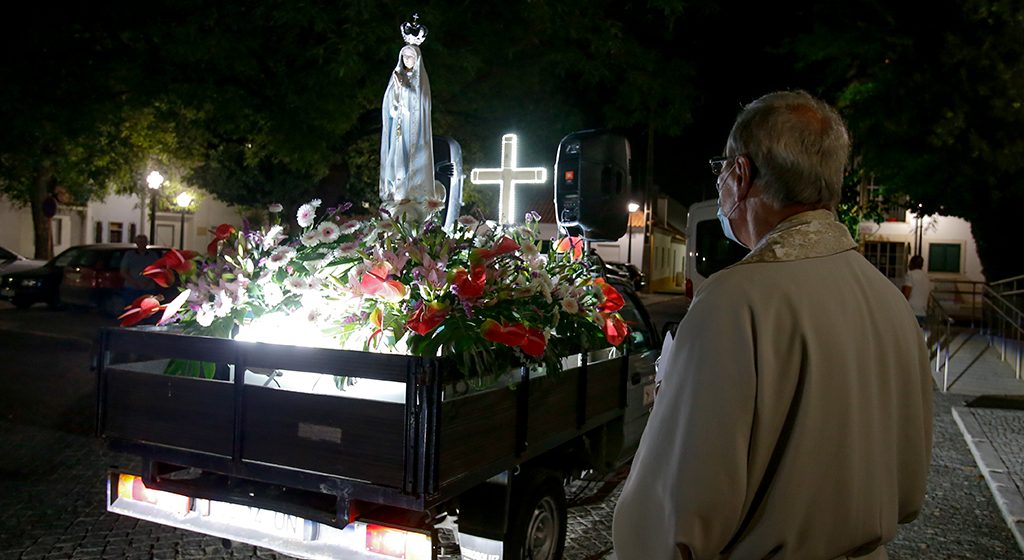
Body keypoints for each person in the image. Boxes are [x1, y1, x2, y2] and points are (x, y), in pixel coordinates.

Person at [612, 91, 932, 560]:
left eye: (721, 167)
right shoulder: (889, 301)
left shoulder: (734, 301)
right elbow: (907, 487)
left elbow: (673, 515)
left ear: (740, 175)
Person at [379, 42, 445, 205]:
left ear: (417, 59)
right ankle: (397, 191)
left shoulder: (421, 80)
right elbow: (391, 109)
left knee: (411, 160)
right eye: (405, 56)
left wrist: (404, 88)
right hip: (399, 129)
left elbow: (420, 103)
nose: (407, 59)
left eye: (411, 57)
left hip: (414, 132)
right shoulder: (397, 77)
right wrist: (396, 90)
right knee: (396, 160)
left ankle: (412, 194)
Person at [119, 235, 161, 301]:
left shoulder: (153, 255)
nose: (142, 244)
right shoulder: (129, 255)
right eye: (140, 242)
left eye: (144, 242)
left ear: (147, 243)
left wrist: (148, 282)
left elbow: (157, 271)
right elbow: (123, 271)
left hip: (149, 288)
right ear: (136, 243)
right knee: (131, 308)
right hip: (132, 289)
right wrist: (135, 283)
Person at [902, 255, 932, 326]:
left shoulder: (910, 274)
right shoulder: (926, 277)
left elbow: (906, 293)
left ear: (912, 263)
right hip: (922, 311)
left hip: (912, 310)